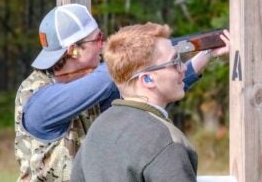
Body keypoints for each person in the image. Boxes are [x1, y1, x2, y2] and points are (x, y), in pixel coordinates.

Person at [14, 4, 229, 182]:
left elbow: (146, 92)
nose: (104, 44)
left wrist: (204, 55)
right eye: (98, 39)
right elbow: (124, 74)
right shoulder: (38, 101)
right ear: (73, 50)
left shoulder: (89, 84)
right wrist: (145, 51)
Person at [71, 22, 223, 182]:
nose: (183, 68)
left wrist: (208, 54)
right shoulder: (165, 141)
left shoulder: (98, 128)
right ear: (148, 79)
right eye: (174, 62)